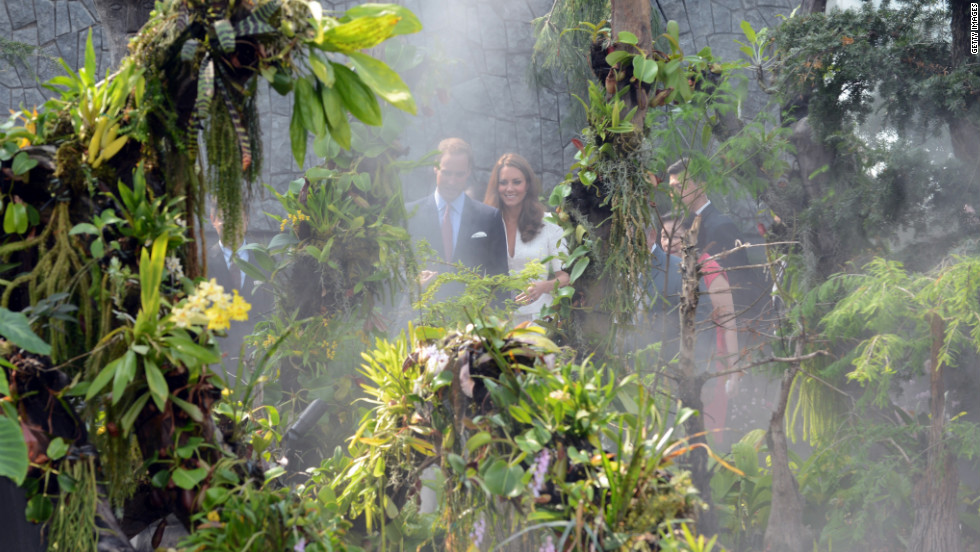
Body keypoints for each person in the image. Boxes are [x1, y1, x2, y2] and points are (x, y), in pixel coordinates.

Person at [666, 159, 768, 331]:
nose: (674, 194)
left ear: (702, 186)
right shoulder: (684, 225)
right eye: (671, 188)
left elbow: (736, 283)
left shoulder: (720, 226)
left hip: (735, 324)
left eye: (680, 186)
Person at [661, 215, 740, 436]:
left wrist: (733, 372)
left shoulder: (709, 271)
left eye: (675, 237)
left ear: (691, 237)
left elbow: (729, 324)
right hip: (676, 363)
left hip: (711, 364)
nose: (668, 243)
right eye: (663, 237)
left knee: (705, 431)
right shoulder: (668, 270)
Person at [405, 138, 508, 300]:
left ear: (468, 172)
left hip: (473, 317)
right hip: (422, 316)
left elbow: (500, 281)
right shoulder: (410, 214)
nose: (451, 182)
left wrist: (497, 321)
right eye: (446, 173)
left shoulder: (489, 217)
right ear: (435, 168)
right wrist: (413, 283)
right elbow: (395, 272)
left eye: (459, 175)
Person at [482, 153, 569, 324]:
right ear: (496, 186)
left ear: (527, 185)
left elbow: (565, 276)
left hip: (538, 319)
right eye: (503, 182)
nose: (509, 189)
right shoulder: (485, 224)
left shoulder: (549, 225)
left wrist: (543, 286)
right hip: (496, 320)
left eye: (516, 182)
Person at [207, 201, 273, 374]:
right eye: (224, 218)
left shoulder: (265, 262)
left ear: (247, 219)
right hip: (216, 369)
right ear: (213, 220)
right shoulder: (202, 264)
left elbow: (274, 311)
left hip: (258, 367)